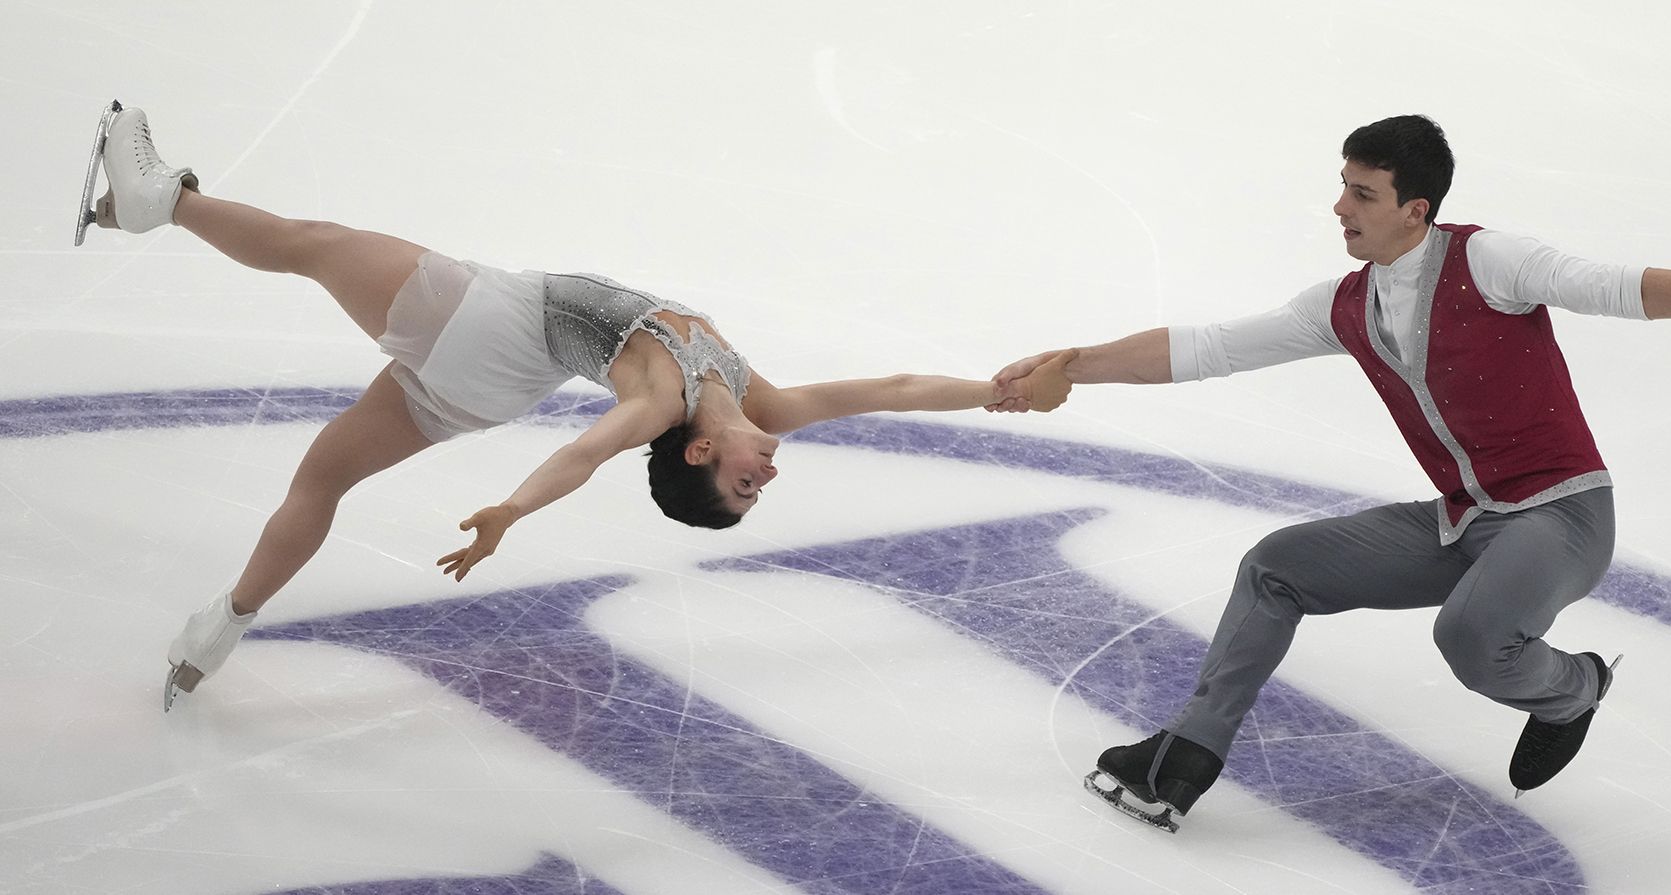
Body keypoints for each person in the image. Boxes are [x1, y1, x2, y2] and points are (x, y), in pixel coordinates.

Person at [987, 114, 1671, 827]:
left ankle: (1574, 687)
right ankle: (1186, 756)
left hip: (1563, 516)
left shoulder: (1489, 263)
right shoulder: (1347, 304)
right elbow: (1208, 348)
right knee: (1276, 564)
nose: (1340, 206)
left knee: (1471, 637)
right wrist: (1070, 361)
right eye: (1343, 186)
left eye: (1361, 193)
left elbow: (1618, 286)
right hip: (1464, 520)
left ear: (1417, 208)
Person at [73, 104, 1074, 710]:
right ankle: (217, 629)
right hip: (486, 389)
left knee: (307, 242)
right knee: (323, 478)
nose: (762, 478)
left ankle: (162, 197)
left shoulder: (664, 397)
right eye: (755, 492)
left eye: (739, 489)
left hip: (488, 321)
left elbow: (589, 452)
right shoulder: (757, 394)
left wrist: (512, 511)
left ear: (695, 455)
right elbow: (889, 392)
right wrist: (990, 390)